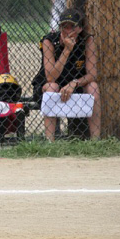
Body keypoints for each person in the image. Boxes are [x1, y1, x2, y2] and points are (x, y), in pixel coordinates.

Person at [38, 8, 100, 141]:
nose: (68, 31)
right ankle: (50, 142)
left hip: (75, 84)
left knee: (93, 87)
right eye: (64, 26)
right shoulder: (49, 41)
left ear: (80, 28)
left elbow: (92, 74)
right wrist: (66, 50)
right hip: (50, 85)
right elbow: (51, 77)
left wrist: (74, 83)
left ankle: (96, 141)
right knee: (52, 86)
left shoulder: (87, 40)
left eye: (72, 27)